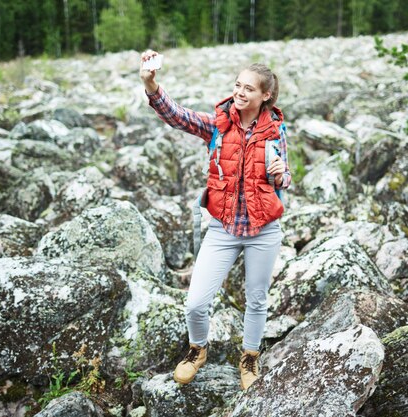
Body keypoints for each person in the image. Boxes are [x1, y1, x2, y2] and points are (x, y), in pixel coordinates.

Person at [139, 49, 291, 390]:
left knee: (257, 299)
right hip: (223, 228)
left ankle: (249, 357)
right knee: (195, 302)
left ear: (265, 95)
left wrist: (283, 175)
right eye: (237, 85)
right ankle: (197, 350)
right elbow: (178, 116)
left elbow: (285, 175)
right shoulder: (218, 126)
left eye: (248, 88)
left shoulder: (276, 130)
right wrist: (151, 85)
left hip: (264, 229)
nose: (239, 92)